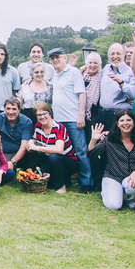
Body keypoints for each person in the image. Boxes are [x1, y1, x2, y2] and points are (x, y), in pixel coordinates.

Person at [49, 48, 93, 193]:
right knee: (65, 152)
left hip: (73, 119)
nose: (55, 60)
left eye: (58, 57)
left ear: (64, 58)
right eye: (52, 58)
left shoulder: (73, 72)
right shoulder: (55, 75)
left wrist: (81, 115)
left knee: (81, 151)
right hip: (59, 120)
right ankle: (66, 179)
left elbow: (82, 94)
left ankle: (87, 182)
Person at [19, 103, 80, 194]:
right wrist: (31, 142)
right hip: (50, 161)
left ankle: (62, 186)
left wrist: (38, 147)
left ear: (50, 114)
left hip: (69, 160)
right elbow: (34, 138)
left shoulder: (59, 128)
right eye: (39, 115)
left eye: (44, 114)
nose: (42, 117)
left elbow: (59, 150)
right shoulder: (38, 126)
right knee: (42, 175)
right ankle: (64, 179)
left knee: (54, 156)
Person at [88, 114, 135, 211]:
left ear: (134, 122)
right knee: (114, 206)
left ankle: (132, 201)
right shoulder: (109, 139)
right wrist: (94, 139)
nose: (125, 123)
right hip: (113, 176)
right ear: (117, 124)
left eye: (129, 120)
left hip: (132, 176)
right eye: (122, 120)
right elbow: (92, 154)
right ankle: (108, 190)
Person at [98, 43, 135, 120]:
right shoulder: (106, 68)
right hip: (102, 113)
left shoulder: (130, 72)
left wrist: (121, 83)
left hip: (119, 115)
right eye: (112, 54)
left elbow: (133, 94)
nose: (115, 56)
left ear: (124, 55)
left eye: (118, 54)